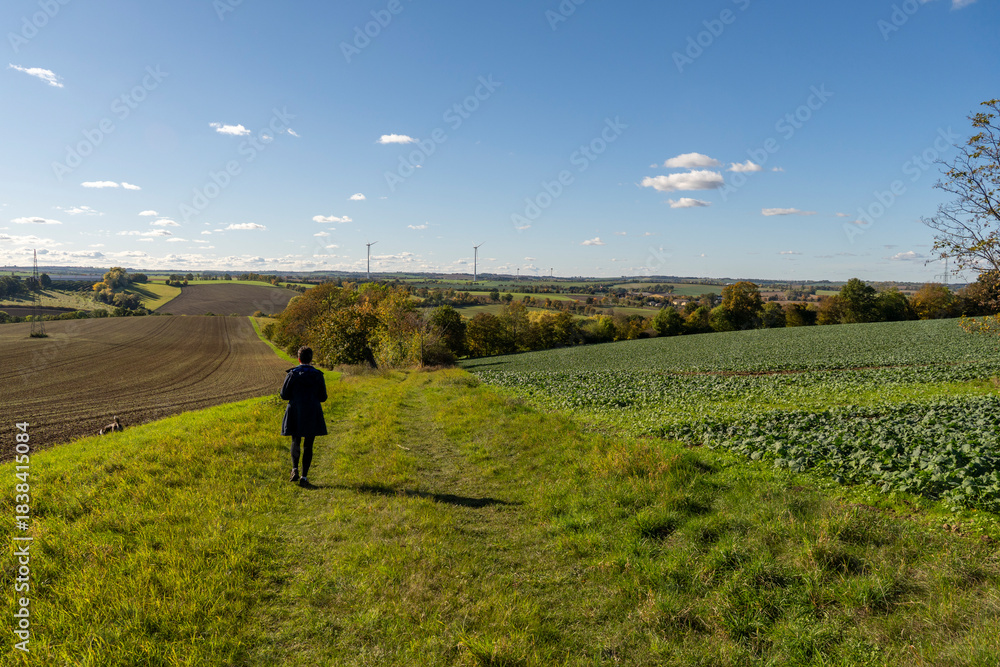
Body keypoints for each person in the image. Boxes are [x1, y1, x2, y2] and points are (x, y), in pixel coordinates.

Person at [280, 346, 328, 486]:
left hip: (295, 410)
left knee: (295, 440)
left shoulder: (292, 374)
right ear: (311, 359)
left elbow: (284, 395)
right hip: (312, 411)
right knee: (309, 444)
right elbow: (323, 397)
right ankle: (304, 477)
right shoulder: (317, 375)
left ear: (298, 358)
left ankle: (294, 468)